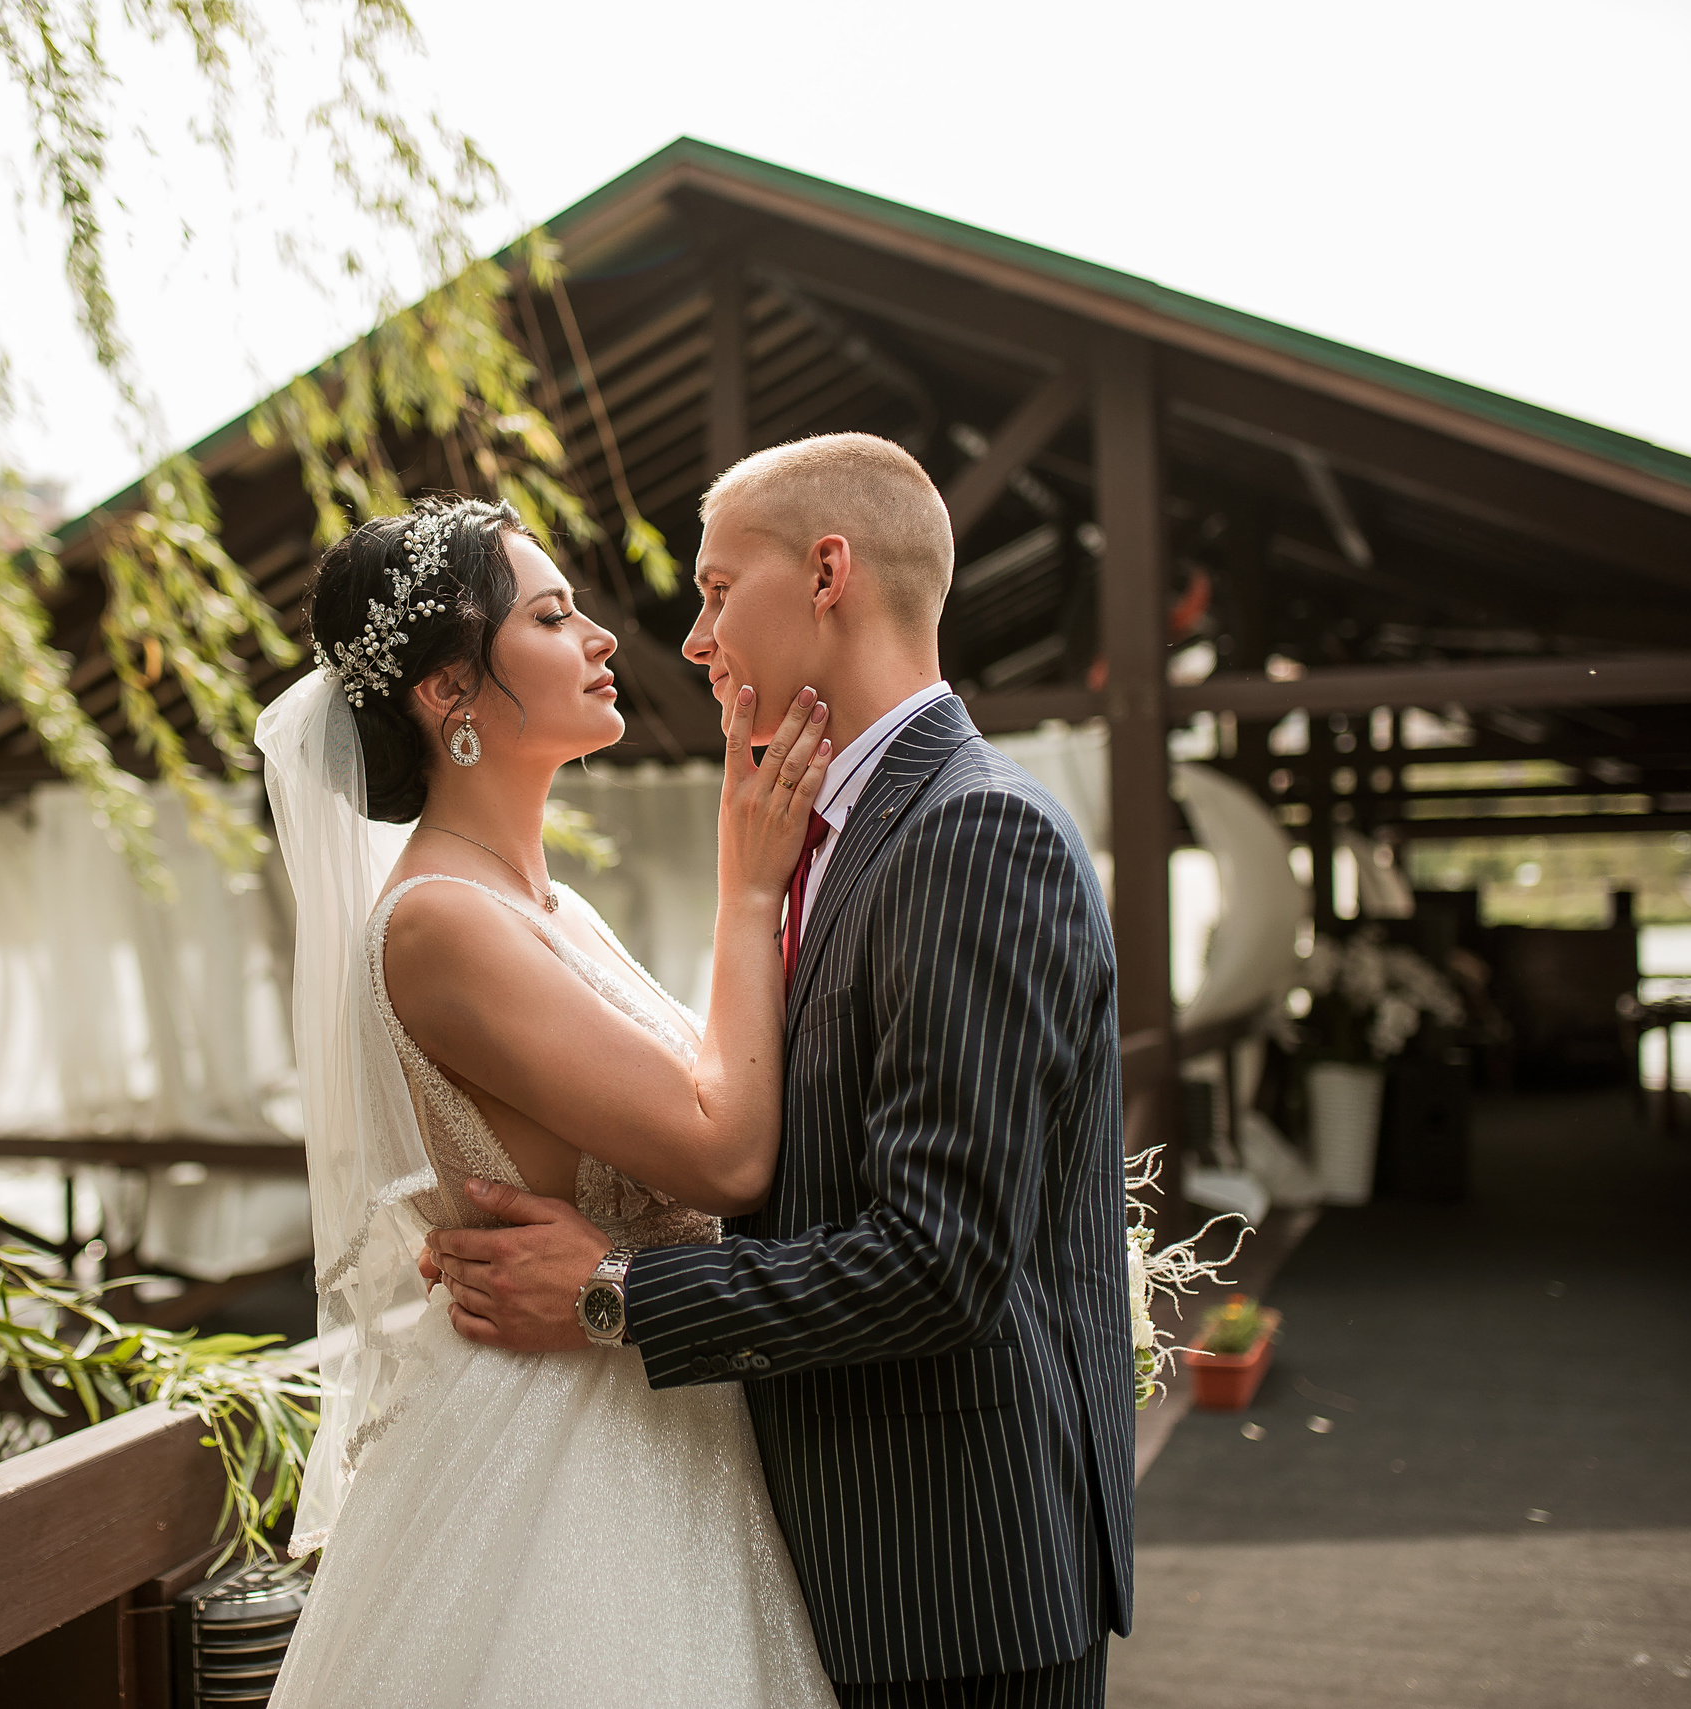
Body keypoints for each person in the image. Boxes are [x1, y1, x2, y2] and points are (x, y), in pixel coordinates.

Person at [425, 435, 1135, 1709]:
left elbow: (939, 1260)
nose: (694, 640)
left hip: (949, 1581)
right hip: (828, 1560)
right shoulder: (820, 831)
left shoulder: (971, 829)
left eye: (715, 590)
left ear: (825, 573)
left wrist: (611, 1292)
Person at [260, 495, 842, 1707]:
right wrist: (747, 891)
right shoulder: (439, 923)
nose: (600, 637)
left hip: (649, 1401)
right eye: (549, 615)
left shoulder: (551, 908)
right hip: (559, 1449)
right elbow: (725, 1154)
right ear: (449, 691)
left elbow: (713, 1099)